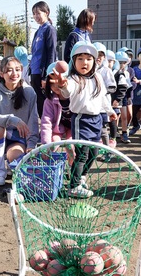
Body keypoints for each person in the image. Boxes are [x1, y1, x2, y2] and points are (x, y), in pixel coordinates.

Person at [53, 41, 117, 198]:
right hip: (81, 120)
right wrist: (62, 86)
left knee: (94, 153)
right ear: (74, 62)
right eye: (80, 58)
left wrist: (110, 112)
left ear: (94, 61)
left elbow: (102, 98)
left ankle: (81, 177)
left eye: (88, 58)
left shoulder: (98, 78)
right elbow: (68, 92)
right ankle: (73, 186)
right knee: (82, 154)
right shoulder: (74, 79)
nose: (84, 62)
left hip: (97, 119)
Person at [0, 56, 38, 186]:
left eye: (17, 69)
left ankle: (10, 163)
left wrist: (31, 144)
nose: (14, 74)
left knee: (16, 156)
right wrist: (11, 119)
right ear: (2, 74)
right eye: (9, 70)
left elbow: (33, 121)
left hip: (18, 138)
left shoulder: (29, 92)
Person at [41, 62, 74, 165]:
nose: (56, 85)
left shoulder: (75, 96)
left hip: (73, 127)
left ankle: (72, 167)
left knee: (71, 146)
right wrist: (46, 144)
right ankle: (50, 168)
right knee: (52, 144)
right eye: (52, 82)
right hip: (58, 127)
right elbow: (46, 122)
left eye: (59, 81)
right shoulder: (49, 101)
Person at [30, 1, 57, 118]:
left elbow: (52, 53)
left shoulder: (49, 30)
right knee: (39, 103)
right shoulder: (38, 31)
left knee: (45, 103)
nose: (36, 16)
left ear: (47, 13)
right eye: (34, 13)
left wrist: (47, 75)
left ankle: (50, 130)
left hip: (42, 74)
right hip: (34, 72)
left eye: (38, 13)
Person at [93, 42, 117, 162]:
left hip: (102, 106)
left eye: (101, 55)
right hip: (91, 106)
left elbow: (113, 86)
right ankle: (95, 151)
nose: (98, 57)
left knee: (102, 130)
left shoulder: (106, 70)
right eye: (96, 54)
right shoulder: (89, 69)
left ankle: (108, 151)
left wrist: (101, 91)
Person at [112, 51, 133, 144]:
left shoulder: (127, 73)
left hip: (123, 97)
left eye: (124, 62)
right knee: (115, 116)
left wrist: (129, 97)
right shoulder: (113, 72)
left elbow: (128, 86)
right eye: (120, 62)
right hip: (114, 97)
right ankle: (114, 133)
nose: (122, 65)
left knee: (124, 116)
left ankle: (124, 133)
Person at [131, 46, 141, 138]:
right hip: (135, 96)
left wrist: (139, 81)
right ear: (138, 57)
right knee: (133, 114)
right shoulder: (134, 69)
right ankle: (136, 126)